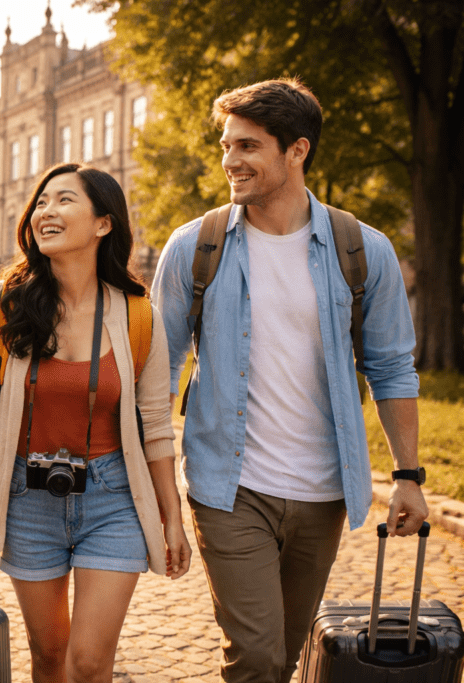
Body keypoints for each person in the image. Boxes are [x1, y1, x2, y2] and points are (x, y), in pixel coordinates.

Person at [150, 78, 428, 683]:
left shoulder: (362, 250)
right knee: (254, 657)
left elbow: (390, 367)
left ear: (296, 151)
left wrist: (407, 475)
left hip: (323, 491)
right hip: (228, 488)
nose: (230, 161)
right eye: (226, 146)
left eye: (248, 146)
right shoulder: (194, 247)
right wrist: (158, 492)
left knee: (287, 649)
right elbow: (156, 373)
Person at [0, 162, 191, 683]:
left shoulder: (137, 315)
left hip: (113, 498)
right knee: (48, 654)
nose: (46, 211)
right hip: (25, 497)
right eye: (40, 202)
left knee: (87, 662)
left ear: (103, 223)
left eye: (63, 200)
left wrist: (171, 515)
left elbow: (156, 425)